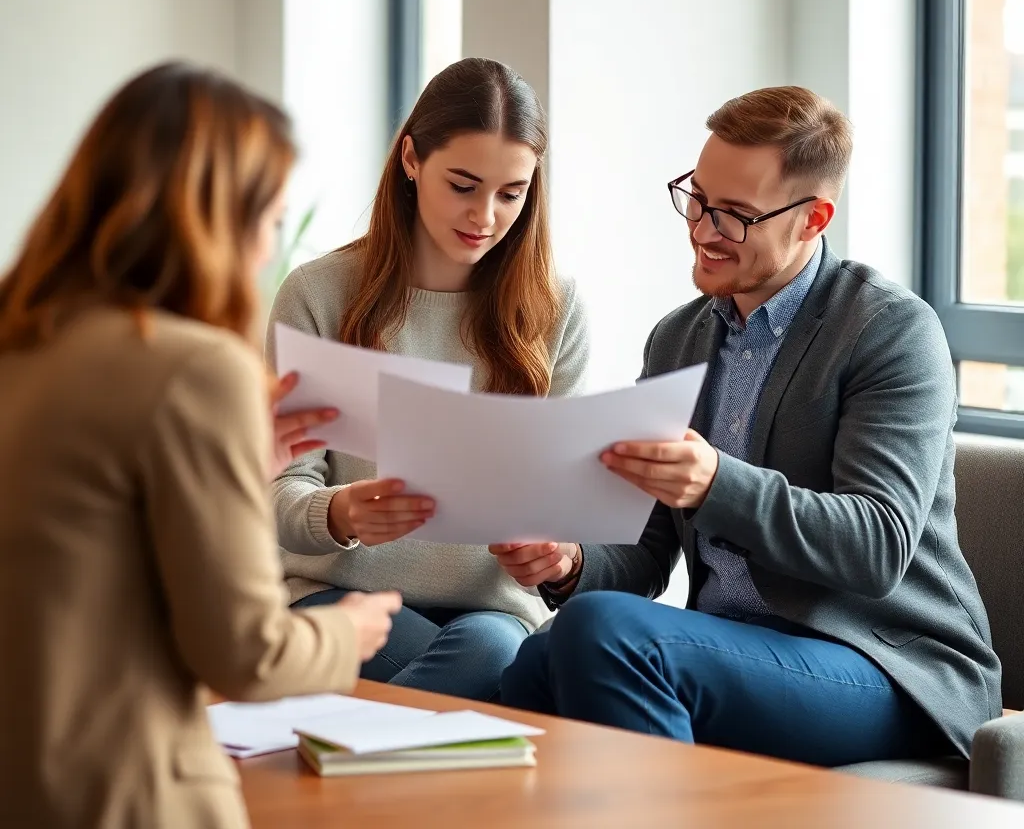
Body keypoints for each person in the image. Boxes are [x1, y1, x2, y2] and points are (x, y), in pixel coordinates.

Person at [496, 86, 1002, 768]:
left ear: (812, 220)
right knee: (533, 663)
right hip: (736, 652)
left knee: (601, 635)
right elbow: (645, 557)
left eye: (734, 214)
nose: (703, 229)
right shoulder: (678, 339)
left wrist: (715, 484)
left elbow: (877, 547)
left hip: (888, 670)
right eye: (697, 198)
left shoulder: (888, 331)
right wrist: (571, 562)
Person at [0, 63, 401, 829]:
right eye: (271, 221)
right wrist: (345, 631)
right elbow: (246, 654)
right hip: (123, 792)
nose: (264, 252)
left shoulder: (20, 344)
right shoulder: (194, 369)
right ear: (217, 217)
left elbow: (83, 553)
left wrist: (240, 472)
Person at [267, 57, 589, 703]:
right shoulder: (319, 296)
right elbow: (274, 490)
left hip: (491, 611)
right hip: (344, 596)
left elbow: (563, 501)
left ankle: (339, 763)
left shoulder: (554, 308)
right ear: (412, 160)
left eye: (511, 193)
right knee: (491, 673)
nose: (486, 216)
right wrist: (338, 512)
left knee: (493, 650)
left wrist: (557, 553)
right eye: (463, 185)